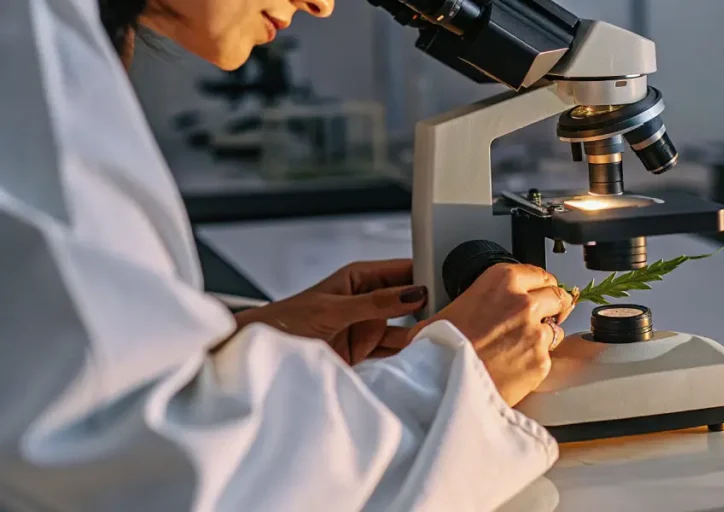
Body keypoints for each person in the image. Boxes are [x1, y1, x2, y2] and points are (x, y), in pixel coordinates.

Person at [0, 0, 576, 509]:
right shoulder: (28, 48)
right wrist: (451, 379)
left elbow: (40, 354)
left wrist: (232, 341)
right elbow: (167, 480)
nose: (322, 5)